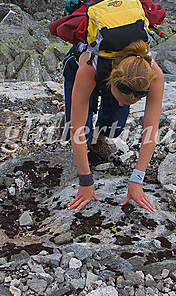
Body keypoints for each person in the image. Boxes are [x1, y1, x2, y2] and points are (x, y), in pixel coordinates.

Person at [63, 39, 164, 212]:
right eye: (122, 98)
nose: (123, 103)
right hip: (82, 67)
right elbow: (76, 131)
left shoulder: (154, 76)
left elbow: (151, 131)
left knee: (114, 126)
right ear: (114, 76)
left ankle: (97, 142)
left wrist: (137, 179)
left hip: (112, 74)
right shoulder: (88, 69)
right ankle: (84, 134)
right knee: (81, 127)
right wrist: (86, 181)